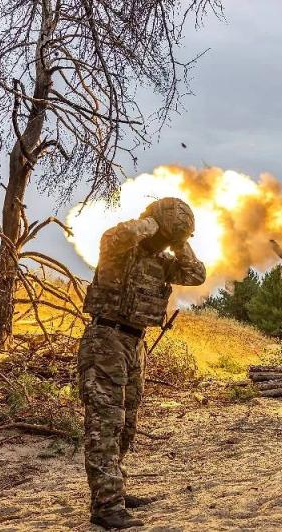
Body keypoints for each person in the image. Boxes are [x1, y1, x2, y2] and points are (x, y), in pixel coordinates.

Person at [77, 197, 206, 528]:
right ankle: (106, 506)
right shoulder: (120, 250)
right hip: (105, 338)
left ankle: (115, 491)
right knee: (106, 423)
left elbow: (196, 274)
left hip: (135, 344)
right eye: (165, 234)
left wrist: (179, 243)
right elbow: (113, 237)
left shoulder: (162, 262)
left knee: (127, 424)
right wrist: (150, 221)